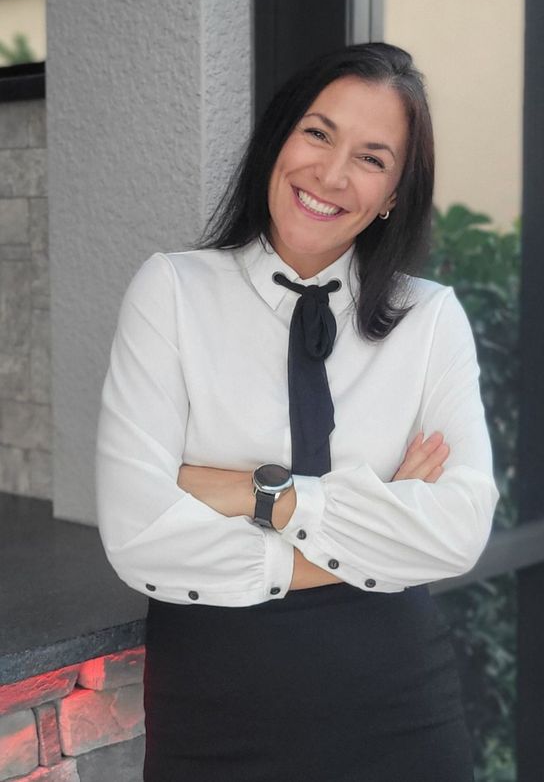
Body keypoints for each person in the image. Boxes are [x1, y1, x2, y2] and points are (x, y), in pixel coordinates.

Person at [96, 42, 499, 781]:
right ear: (279, 138)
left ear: (393, 196)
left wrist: (258, 494)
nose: (332, 174)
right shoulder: (173, 292)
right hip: (215, 706)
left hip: (399, 703)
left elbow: (459, 531)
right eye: (318, 133)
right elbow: (137, 533)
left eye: (373, 159)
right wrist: (378, 523)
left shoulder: (431, 318)